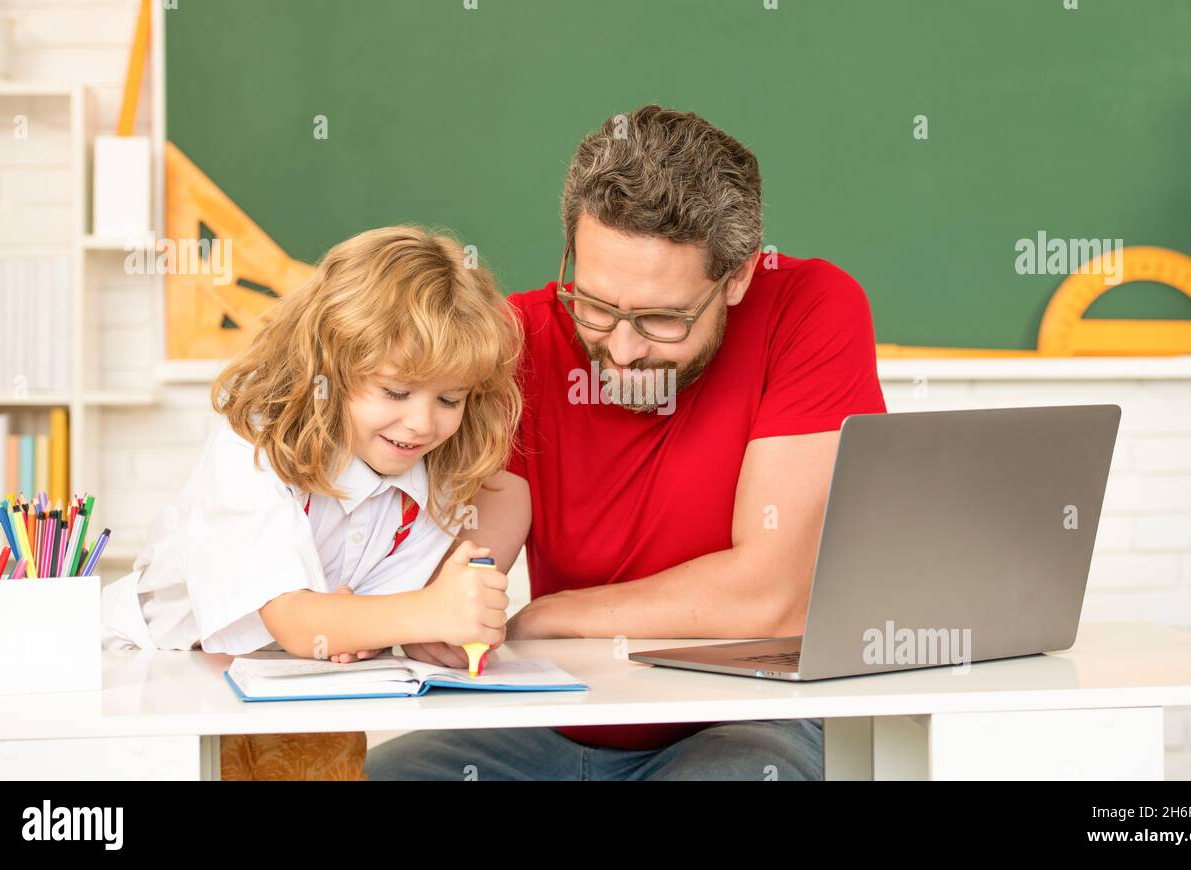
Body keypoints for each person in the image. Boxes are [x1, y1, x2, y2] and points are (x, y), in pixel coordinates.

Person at [368, 106, 886, 781]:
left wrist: (548, 617)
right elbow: (472, 565)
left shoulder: (812, 309)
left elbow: (771, 597)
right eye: (595, 305)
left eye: (663, 319)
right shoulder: (516, 337)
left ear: (737, 277)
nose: (620, 349)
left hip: (745, 723)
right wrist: (439, 608)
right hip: (548, 719)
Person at [101, 225, 522, 779]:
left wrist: (385, 623)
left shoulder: (428, 479)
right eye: (395, 392)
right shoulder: (255, 443)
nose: (422, 423)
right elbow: (298, 621)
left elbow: (510, 497)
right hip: (153, 682)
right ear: (329, 365)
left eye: (449, 398)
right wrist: (424, 612)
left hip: (290, 691)